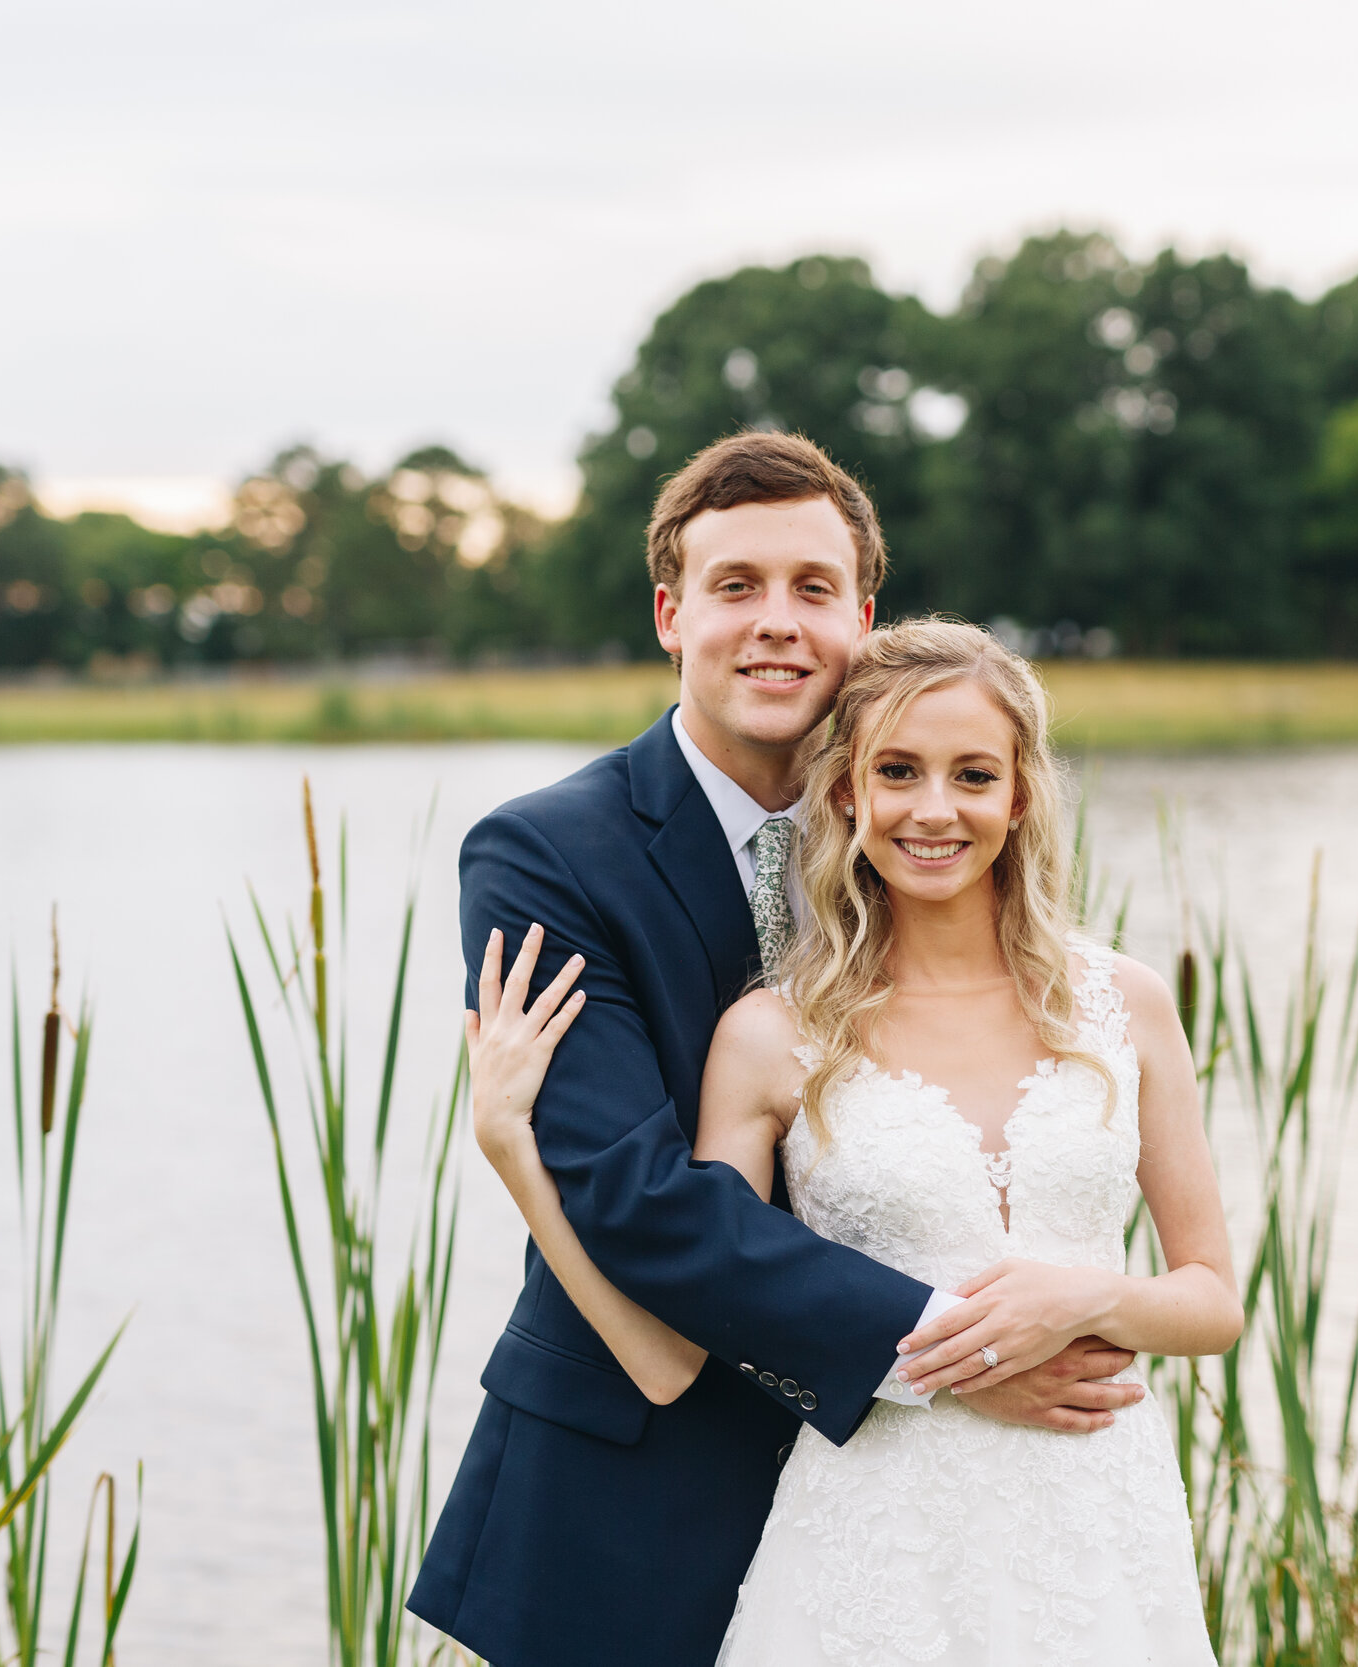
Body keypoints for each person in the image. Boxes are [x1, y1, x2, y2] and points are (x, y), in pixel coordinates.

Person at [407, 433, 1152, 1667]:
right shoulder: (543, 855)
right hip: (636, 1488)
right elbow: (642, 1203)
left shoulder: (915, 827)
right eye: (735, 585)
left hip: (916, 1505)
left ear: (864, 615)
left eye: (813, 588)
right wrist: (956, 1350)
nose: (776, 624)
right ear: (669, 613)